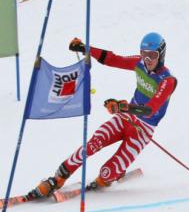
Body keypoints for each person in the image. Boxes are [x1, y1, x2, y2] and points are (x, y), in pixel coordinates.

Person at [26, 32, 178, 199]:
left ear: (161, 54)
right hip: (125, 119)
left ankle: (107, 178)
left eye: (152, 55)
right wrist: (85, 48)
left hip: (143, 130)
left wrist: (122, 106)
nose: (147, 59)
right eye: (144, 53)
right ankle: (57, 179)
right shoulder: (139, 63)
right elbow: (112, 59)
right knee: (92, 144)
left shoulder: (167, 81)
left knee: (107, 173)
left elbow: (150, 109)